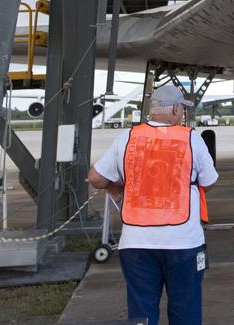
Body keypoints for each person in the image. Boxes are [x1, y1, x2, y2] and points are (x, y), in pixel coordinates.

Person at [88, 84, 218, 325]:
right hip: (183, 243)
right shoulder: (191, 139)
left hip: (136, 243)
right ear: (177, 109)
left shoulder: (127, 137)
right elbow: (209, 182)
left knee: (141, 314)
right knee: (185, 311)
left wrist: (116, 188)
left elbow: (96, 177)